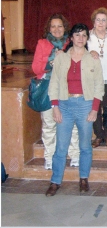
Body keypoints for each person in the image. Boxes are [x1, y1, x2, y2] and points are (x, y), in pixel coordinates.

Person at [45, 23, 104, 197]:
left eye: (84, 35)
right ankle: (55, 181)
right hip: (65, 104)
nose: (80, 38)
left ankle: (84, 178)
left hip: (85, 105)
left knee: (85, 146)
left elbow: (99, 86)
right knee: (61, 147)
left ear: (87, 39)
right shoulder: (61, 57)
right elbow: (54, 83)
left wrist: (94, 109)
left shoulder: (93, 58)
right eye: (77, 35)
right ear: (71, 38)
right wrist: (55, 107)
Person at [32, 14, 80, 170]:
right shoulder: (42, 43)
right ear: (49, 28)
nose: (57, 29)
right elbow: (35, 68)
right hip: (48, 89)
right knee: (49, 124)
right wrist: (50, 62)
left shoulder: (71, 42)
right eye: (53, 26)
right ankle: (49, 157)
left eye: (60, 26)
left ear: (65, 27)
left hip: (69, 89)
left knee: (72, 124)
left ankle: (75, 155)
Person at [87, 8, 107, 148]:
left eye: (103, 20)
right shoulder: (87, 37)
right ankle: (98, 136)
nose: (100, 23)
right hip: (92, 80)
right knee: (94, 109)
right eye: (98, 20)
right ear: (94, 22)